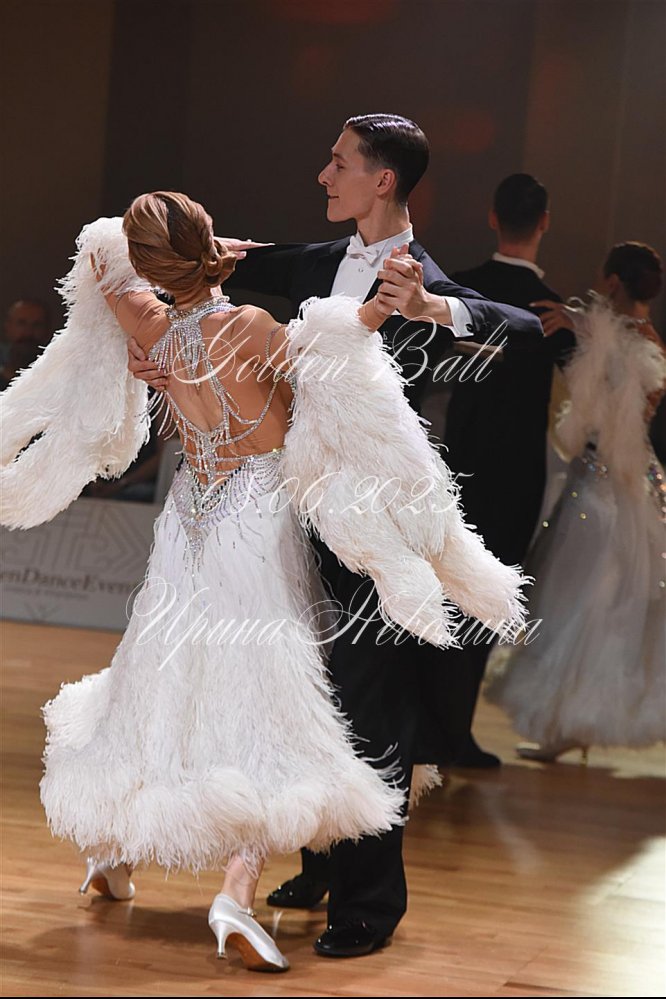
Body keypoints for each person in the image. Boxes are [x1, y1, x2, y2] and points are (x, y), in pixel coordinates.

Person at [0, 192, 528, 972]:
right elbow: (330, 373)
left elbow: (99, 249)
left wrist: (174, 268)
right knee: (262, 704)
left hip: (188, 522)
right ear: (202, 245)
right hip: (257, 522)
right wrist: (375, 314)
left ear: (150, 266)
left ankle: (112, 852)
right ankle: (235, 892)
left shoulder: (148, 326)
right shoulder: (249, 325)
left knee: (162, 683)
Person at [127, 114, 543, 958]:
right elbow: (207, 279)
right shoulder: (318, 261)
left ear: (382, 180)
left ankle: (370, 902)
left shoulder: (422, 281)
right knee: (303, 694)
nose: (324, 174)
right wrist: (167, 355)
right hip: (280, 514)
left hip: (363, 523)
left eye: (339, 162)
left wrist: (428, 306)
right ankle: (318, 860)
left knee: (365, 706)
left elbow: (525, 333)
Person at [416, 174, 576, 770]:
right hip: (515, 478)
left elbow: (426, 366)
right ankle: (454, 732)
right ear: (545, 222)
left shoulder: (459, 288)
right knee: (486, 601)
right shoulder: (554, 312)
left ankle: (423, 726)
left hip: (453, 464)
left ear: (492, 217)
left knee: (437, 591)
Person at [485, 241, 666, 760]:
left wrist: (582, 330)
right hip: (630, 486)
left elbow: (597, 418)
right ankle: (569, 726)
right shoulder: (646, 342)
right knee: (595, 606)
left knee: (580, 605)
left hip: (605, 488)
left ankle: (568, 724)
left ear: (611, 282)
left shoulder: (624, 344)